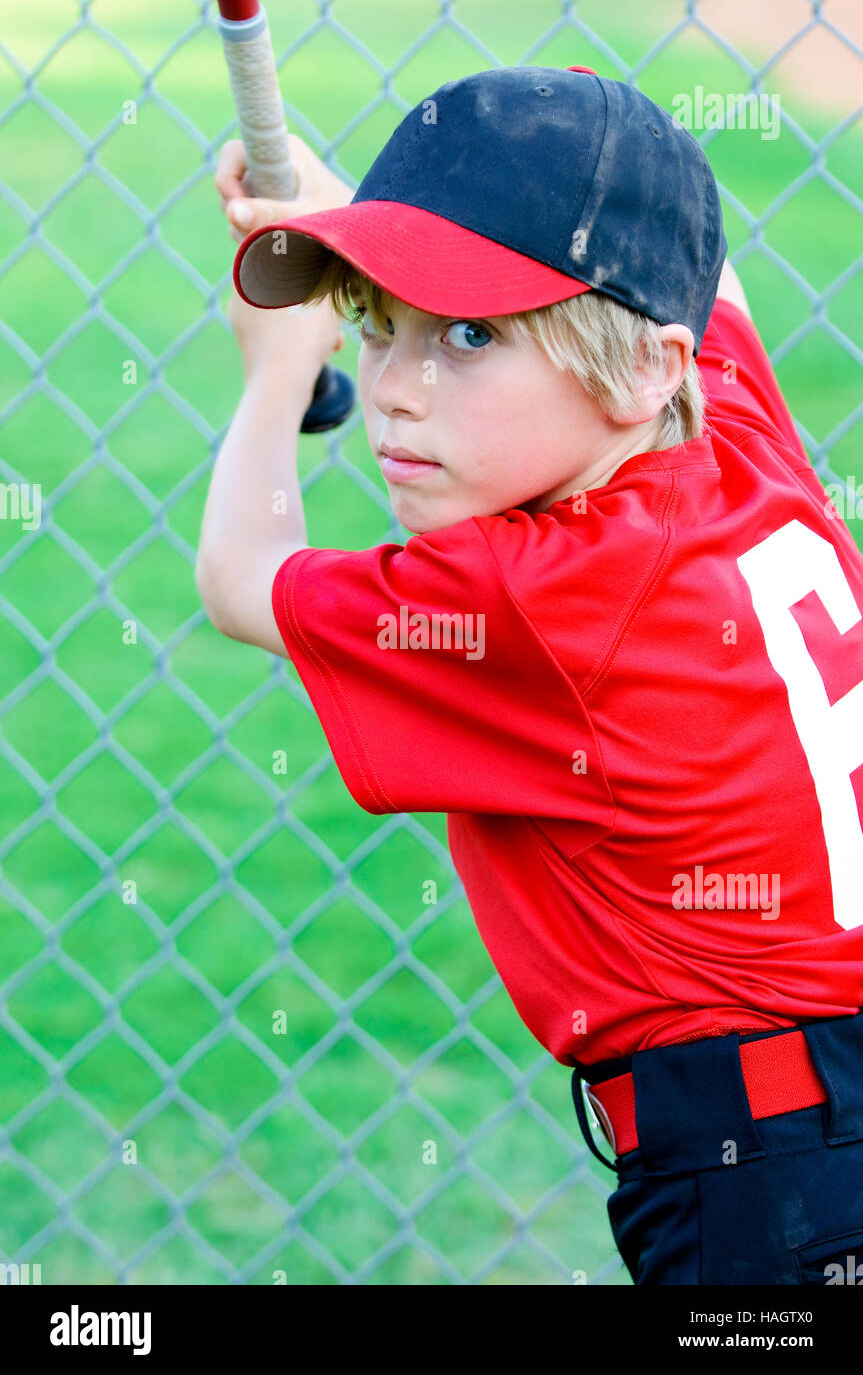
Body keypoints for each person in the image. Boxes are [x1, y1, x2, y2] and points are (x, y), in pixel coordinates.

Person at [198, 65, 863, 1285]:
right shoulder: (733, 434)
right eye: (375, 321)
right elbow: (700, 271)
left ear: (645, 368)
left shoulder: (533, 595)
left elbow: (245, 576)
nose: (394, 386)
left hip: (766, 1195)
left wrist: (275, 372)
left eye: (468, 337)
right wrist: (380, 223)